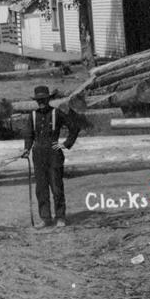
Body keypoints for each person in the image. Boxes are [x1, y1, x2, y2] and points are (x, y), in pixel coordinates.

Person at [21, 85, 89, 231]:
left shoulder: (57, 113)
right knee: (41, 189)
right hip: (38, 154)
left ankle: (60, 217)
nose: (41, 102)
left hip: (54, 155)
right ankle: (45, 219)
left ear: (48, 99)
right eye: (39, 100)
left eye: (43, 99)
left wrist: (65, 144)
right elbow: (28, 135)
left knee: (56, 187)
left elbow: (74, 127)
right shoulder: (32, 115)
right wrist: (26, 149)